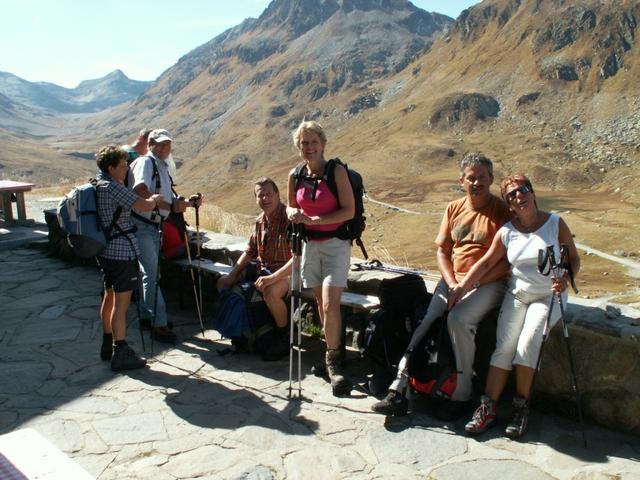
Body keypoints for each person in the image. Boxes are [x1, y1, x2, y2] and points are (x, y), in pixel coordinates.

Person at [372, 152, 512, 419]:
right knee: (425, 320)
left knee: (458, 320)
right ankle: (399, 387)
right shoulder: (454, 208)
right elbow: (442, 252)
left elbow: (505, 262)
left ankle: (462, 393)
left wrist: (471, 284)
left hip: (489, 283)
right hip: (452, 281)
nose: (477, 182)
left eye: (482, 177)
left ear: (491, 179)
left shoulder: (501, 212)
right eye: (471, 177)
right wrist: (451, 283)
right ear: (462, 181)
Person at [457, 174, 580, 438]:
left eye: (522, 190)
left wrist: (566, 279)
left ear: (532, 193)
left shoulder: (555, 224)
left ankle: (520, 409)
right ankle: (487, 408)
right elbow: (487, 263)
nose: (518, 197)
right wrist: (461, 288)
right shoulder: (507, 231)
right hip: (518, 294)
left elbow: (574, 259)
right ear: (509, 204)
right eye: (511, 195)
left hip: (548, 295)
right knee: (504, 348)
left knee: (527, 345)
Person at [287, 120, 355, 397]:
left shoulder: (336, 171)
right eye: (304, 143)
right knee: (319, 303)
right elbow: (291, 205)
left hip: (336, 245)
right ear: (299, 146)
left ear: (323, 143)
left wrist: (319, 219)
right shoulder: (295, 175)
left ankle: (335, 364)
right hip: (310, 246)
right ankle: (331, 356)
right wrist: (293, 213)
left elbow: (349, 211)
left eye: (314, 141)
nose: (309, 147)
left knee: (330, 304)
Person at [128, 128, 203, 344]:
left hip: (152, 227)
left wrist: (189, 203)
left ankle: (146, 316)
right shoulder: (146, 162)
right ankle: (158, 324)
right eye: (159, 144)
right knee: (151, 275)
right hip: (142, 226)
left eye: (167, 144)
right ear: (150, 144)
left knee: (149, 274)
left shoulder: (161, 166)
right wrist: (152, 200)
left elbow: (170, 201)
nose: (163, 148)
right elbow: (140, 187)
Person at [94, 145, 163, 371]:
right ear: (111, 168)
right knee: (122, 305)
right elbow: (142, 204)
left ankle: (107, 343)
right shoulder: (114, 187)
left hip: (104, 250)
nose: (126, 170)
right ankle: (120, 350)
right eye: (123, 166)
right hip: (122, 251)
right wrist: (154, 199)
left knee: (109, 297)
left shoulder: (97, 184)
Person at [216, 177, 293, 361]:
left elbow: (298, 259)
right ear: (256, 199)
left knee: (271, 292)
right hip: (264, 270)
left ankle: (283, 336)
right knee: (223, 283)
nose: (265, 199)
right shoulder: (260, 221)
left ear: (277, 194)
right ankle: (244, 331)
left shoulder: (289, 220)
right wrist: (232, 275)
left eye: (269, 194)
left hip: (290, 272)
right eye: (261, 196)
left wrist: (273, 278)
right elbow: (250, 251)